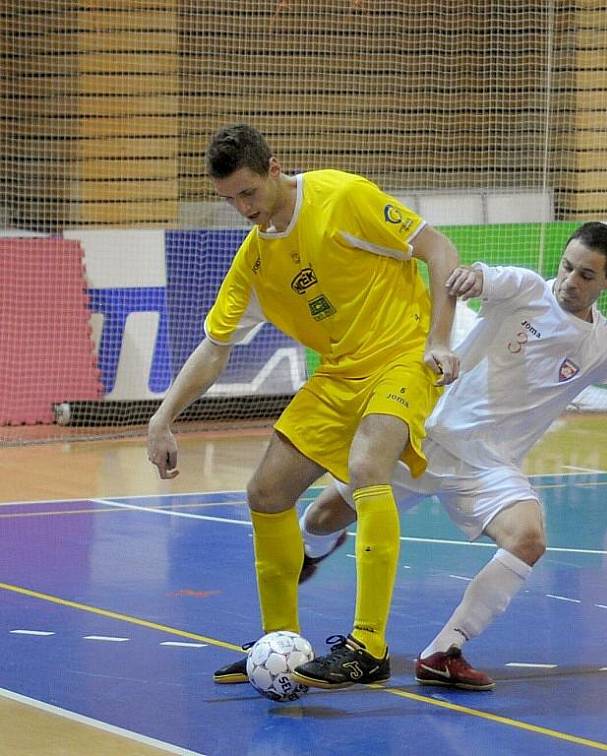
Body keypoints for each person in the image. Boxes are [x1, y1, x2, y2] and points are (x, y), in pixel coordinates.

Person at [290, 221, 607, 691]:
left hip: (488, 465)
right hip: (429, 437)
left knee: (529, 539)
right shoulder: (526, 288)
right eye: (567, 267)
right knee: (320, 517)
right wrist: (470, 277)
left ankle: (443, 651)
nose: (569, 282)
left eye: (586, 276)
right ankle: (314, 550)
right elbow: (476, 277)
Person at [146, 124, 461, 690]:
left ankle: (369, 646)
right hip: (339, 373)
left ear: (274, 168)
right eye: (229, 200)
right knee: (265, 492)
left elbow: (437, 248)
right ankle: (279, 644)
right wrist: (163, 417)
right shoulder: (255, 259)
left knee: (367, 468)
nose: (243, 208)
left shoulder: (342, 197)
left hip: (403, 354)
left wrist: (440, 337)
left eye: (248, 193)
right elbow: (215, 349)